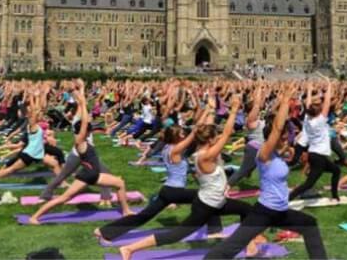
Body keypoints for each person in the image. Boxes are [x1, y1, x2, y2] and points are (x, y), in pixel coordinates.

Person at [117, 94, 258, 260]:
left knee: (247, 210)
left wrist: (210, 110)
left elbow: (210, 132)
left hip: (214, 201)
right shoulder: (205, 156)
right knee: (175, 235)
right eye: (216, 137)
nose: (218, 138)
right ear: (211, 140)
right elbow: (226, 134)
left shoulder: (203, 153)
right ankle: (129, 249)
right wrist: (233, 110)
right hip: (206, 205)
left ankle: (250, 246)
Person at [204, 85, 327, 260]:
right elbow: (277, 129)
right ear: (272, 139)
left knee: (309, 224)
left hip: (280, 212)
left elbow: (286, 138)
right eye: (283, 138)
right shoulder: (264, 155)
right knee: (231, 247)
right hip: (264, 212)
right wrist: (284, 101)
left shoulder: (277, 154)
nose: (286, 140)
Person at [96, 103, 223, 241]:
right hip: (175, 191)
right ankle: (214, 230)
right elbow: (194, 131)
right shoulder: (175, 149)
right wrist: (207, 111)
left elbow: (194, 130)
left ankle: (104, 231)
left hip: (167, 190)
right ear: (177, 136)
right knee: (210, 198)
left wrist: (206, 111)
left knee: (143, 216)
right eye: (181, 132)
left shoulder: (167, 147)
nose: (184, 133)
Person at [29, 82, 134, 224]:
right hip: (88, 176)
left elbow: (86, 120)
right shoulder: (81, 140)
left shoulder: (81, 138)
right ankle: (34, 217)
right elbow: (85, 121)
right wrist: (83, 103)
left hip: (93, 174)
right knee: (63, 198)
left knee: (120, 183)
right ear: (86, 130)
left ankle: (126, 211)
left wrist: (82, 99)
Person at [0, 84, 62, 189]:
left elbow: (39, 109)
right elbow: (34, 111)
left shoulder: (38, 125)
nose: (41, 115)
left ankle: (63, 182)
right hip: (30, 154)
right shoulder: (33, 125)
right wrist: (34, 97)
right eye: (38, 115)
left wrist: (39, 96)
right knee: (11, 170)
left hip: (39, 153)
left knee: (55, 164)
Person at [289, 79, 340, 202]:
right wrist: (329, 86)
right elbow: (327, 103)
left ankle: (334, 196)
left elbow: (308, 105)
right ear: (317, 113)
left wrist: (310, 89)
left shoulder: (307, 118)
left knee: (336, 170)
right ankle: (288, 198)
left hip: (315, 154)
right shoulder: (320, 121)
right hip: (318, 157)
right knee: (309, 183)